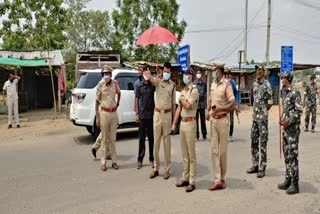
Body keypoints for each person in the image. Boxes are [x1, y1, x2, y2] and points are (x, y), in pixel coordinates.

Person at [144, 62, 176, 180]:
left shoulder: (172, 85)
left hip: (167, 115)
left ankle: (167, 169)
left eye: (168, 72)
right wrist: (148, 73)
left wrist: (173, 122)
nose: (166, 73)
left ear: (170, 72)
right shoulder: (158, 81)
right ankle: (156, 168)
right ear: (162, 71)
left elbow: (173, 105)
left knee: (167, 144)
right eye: (165, 71)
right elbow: (151, 79)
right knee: (156, 142)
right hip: (157, 114)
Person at [206, 63, 235, 191]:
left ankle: (222, 178)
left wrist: (220, 108)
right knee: (214, 150)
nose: (214, 72)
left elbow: (232, 104)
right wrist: (208, 111)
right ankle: (217, 179)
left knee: (222, 151)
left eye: (215, 70)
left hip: (223, 120)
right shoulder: (212, 84)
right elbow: (210, 99)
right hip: (213, 120)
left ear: (220, 71)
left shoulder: (227, 85)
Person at [172, 67, 199, 193]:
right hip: (182, 124)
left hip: (190, 123)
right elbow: (179, 108)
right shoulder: (183, 90)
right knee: (184, 154)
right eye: (183, 74)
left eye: (186, 74)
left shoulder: (194, 91)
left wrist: (181, 100)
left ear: (191, 76)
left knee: (191, 155)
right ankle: (185, 177)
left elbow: (188, 105)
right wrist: (174, 124)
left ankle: (192, 181)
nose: (184, 76)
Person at [278, 72, 302, 195]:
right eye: (281, 78)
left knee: (293, 156)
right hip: (286, 129)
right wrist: (283, 119)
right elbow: (287, 110)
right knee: (287, 155)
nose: (282, 79)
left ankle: (295, 183)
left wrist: (289, 120)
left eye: (283, 78)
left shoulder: (295, 92)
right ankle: (288, 178)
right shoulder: (284, 92)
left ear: (288, 79)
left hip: (293, 130)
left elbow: (298, 111)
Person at [247, 66, 273, 178]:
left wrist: (263, 111)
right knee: (253, 141)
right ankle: (255, 164)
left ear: (264, 72)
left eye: (260, 70)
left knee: (262, 143)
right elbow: (254, 98)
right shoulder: (255, 84)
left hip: (262, 119)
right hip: (255, 119)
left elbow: (270, 102)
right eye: (257, 70)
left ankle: (262, 167)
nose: (258, 71)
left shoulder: (267, 85)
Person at [96, 65, 121, 172]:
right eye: (104, 74)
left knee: (113, 139)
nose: (106, 75)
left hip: (113, 113)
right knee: (104, 139)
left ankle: (114, 161)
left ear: (111, 75)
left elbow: (119, 93)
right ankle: (103, 162)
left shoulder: (115, 84)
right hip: (104, 113)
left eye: (108, 74)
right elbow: (96, 102)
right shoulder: (100, 85)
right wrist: (97, 117)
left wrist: (118, 103)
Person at [135, 66, 155, 169]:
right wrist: (137, 114)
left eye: (148, 73)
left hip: (151, 116)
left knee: (151, 138)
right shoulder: (139, 86)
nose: (146, 75)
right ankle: (140, 159)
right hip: (142, 116)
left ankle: (152, 159)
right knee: (141, 139)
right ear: (143, 74)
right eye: (145, 73)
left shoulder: (153, 86)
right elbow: (137, 99)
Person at [226, 71, 240, 142]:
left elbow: (236, 93)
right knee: (225, 120)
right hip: (225, 105)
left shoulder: (233, 83)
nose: (229, 78)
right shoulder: (224, 83)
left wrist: (237, 103)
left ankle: (230, 135)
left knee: (231, 120)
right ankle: (225, 135)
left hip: (231, 104)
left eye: (229, 77)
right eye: (227, 77)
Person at [193, 70, 207, 141]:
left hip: (202, 104)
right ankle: (196, 135)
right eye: (197, 73)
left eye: (199, 73)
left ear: (201, 74)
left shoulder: (204, 83)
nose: (198, 74)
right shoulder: (194, 83)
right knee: (196, 121)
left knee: (203, 120)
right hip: (196, 105)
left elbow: (205, 91)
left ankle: (204, 134)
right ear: (196, 75)